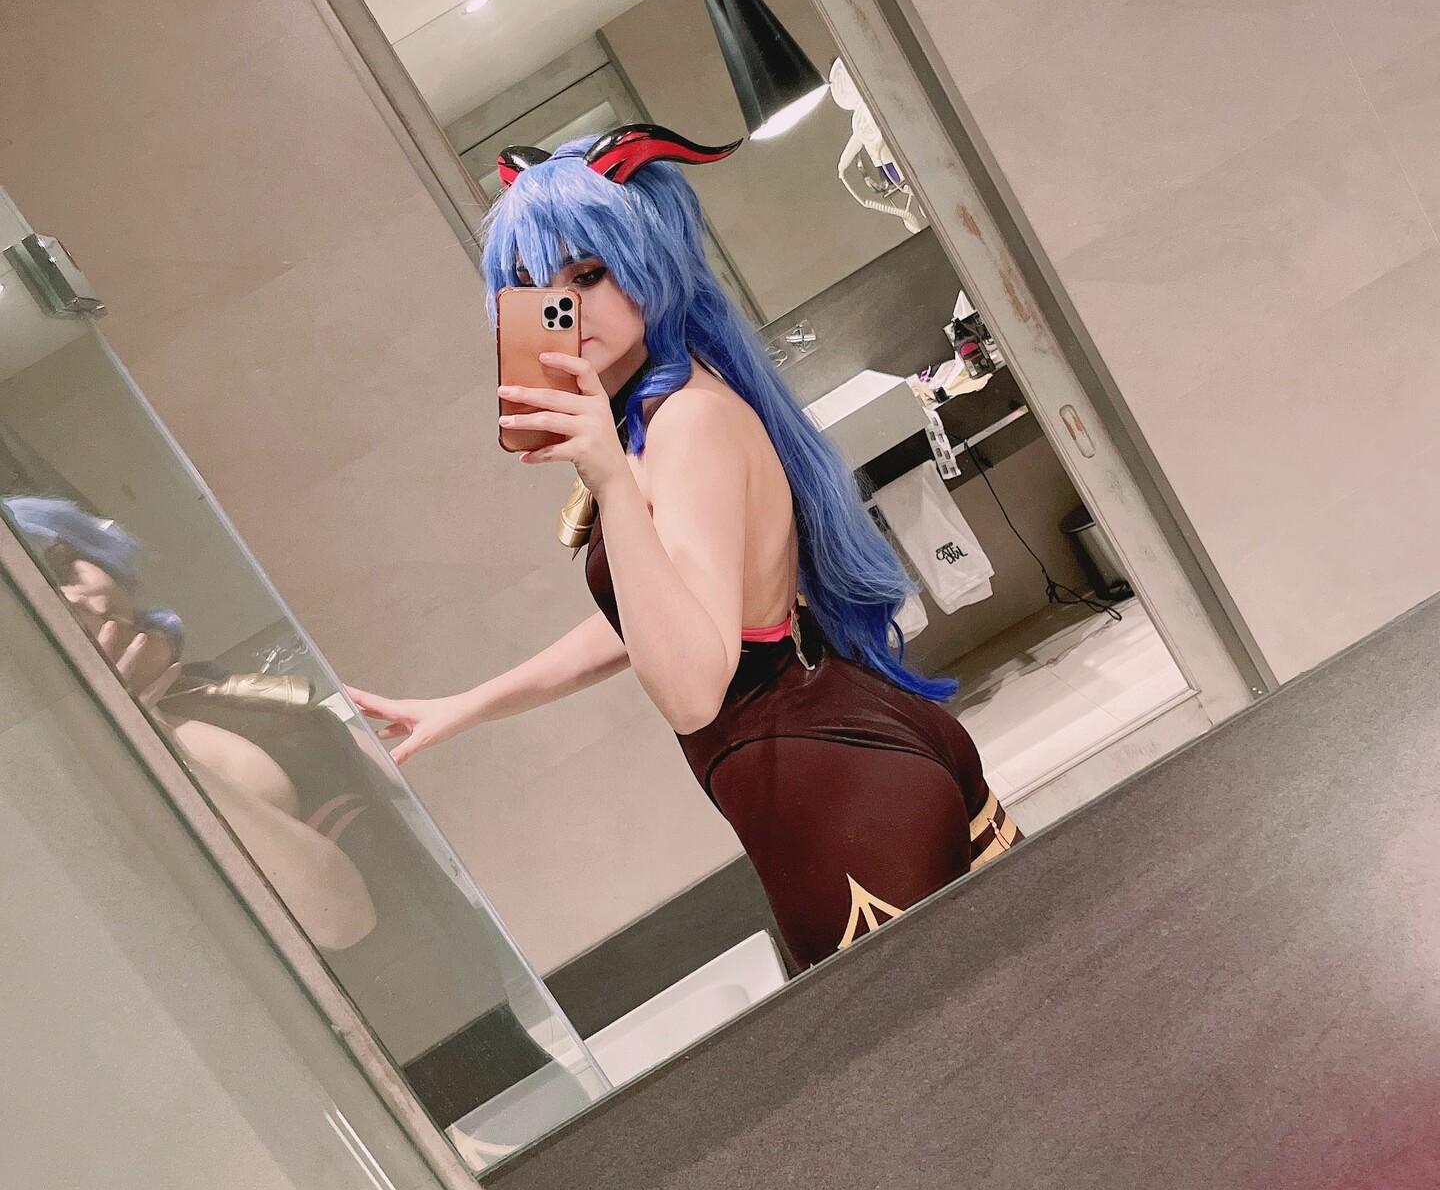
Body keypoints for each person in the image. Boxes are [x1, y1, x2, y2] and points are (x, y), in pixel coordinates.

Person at [349, 125, 1019, 970]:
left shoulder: (686, 423)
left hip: (830, 797)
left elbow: (695, 691)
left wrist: (610, 480)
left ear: (650, 257)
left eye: (587, 275)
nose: (564, 310)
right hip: (849, 759)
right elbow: (657, 619)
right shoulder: (663, 414)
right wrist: (469, 704)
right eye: (534, 290)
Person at [3, 496, 375, 950]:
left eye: (62, 569)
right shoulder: (93, 771)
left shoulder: (197, 687)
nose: (77, 601)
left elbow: (383, 774)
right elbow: (342, 920)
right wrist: (141, 737)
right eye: (32, 606)